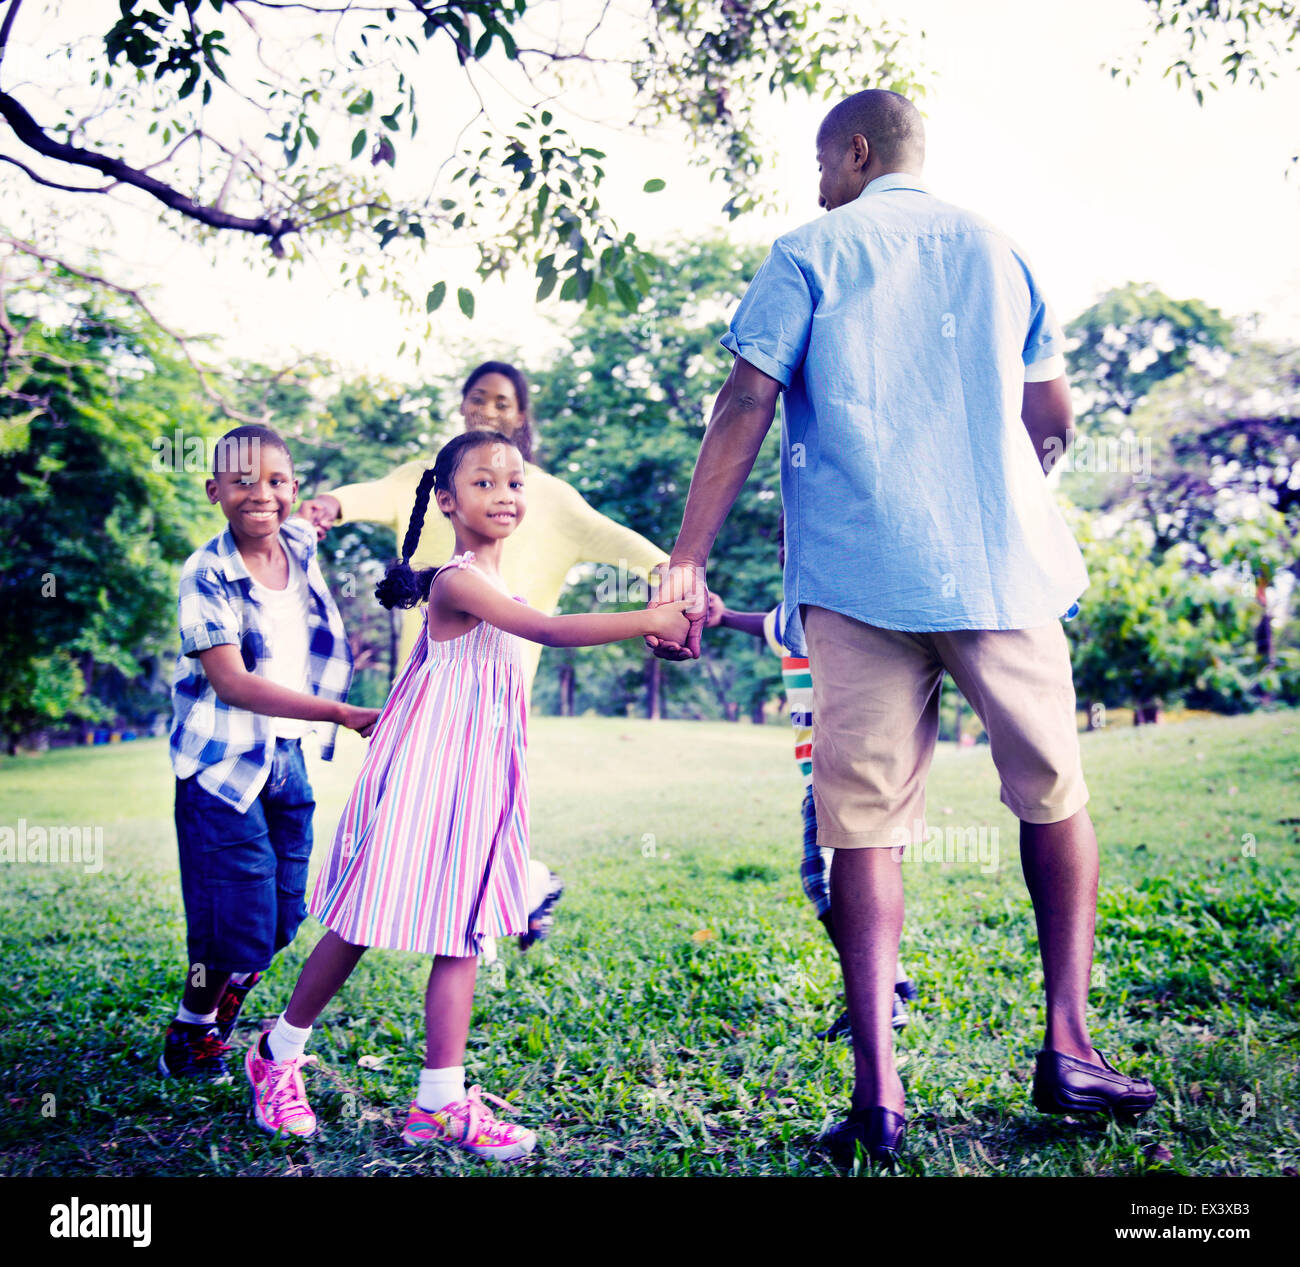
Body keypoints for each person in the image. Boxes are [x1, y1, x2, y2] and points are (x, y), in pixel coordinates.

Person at [647, 89, 1156, 1168]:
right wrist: (1004, 477)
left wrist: (686, 559)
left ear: (857, 151)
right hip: (996, 569)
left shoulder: (808, 250)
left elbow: (743, 403)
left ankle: (877, 1096)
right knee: (1053, 794)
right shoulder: (999, 249)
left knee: (862, 826)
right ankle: (1069, 1046)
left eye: (821, 163)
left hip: (857, 575)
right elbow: (1051, 417)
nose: (815, 183)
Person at [244, 430, 691, 1158]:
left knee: (466, 930)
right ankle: (277, 1049)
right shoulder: (453, 581)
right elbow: (548, 627)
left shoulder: (497, 582)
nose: (507, 495)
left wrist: (668, 614)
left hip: (478, 783)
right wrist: (646, 619)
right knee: (357, 922)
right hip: (422, 776)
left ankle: (439, 1102)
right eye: (484, 483)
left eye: (515, 483)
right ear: (447, 501)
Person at [161, 425, 381, 1081]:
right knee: (234, 924)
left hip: (287, 756)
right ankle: (192, 1029)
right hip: (221, 766)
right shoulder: (205, 573)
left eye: (277, 480)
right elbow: (231, 683)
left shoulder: (297, 540)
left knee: (284, 914)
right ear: (214, 491)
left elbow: (319, 516)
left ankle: (227, 990)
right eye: (241, 481)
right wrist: (341, 713)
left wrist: (330, 505)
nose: (261, 493)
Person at [297, 361, 668, 700]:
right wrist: (328, 505)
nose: (488, 410)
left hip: (500, 698)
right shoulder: (426, 486)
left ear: (521, 416)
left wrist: (682, 581)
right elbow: (369, 494)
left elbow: (625, 545)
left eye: (502, 403)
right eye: (478, 399)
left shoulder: (552, 496)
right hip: (430, 691)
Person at [705, 524, 916, 1037]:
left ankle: (880, 992)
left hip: (849, 774)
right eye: (788, 551)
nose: (795, 560)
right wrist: (722, 616)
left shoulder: (853, 614)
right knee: (829, 879)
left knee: (825, 880)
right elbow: (765, 624)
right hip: (819, 779)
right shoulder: (789, 616)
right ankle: (887, 975)